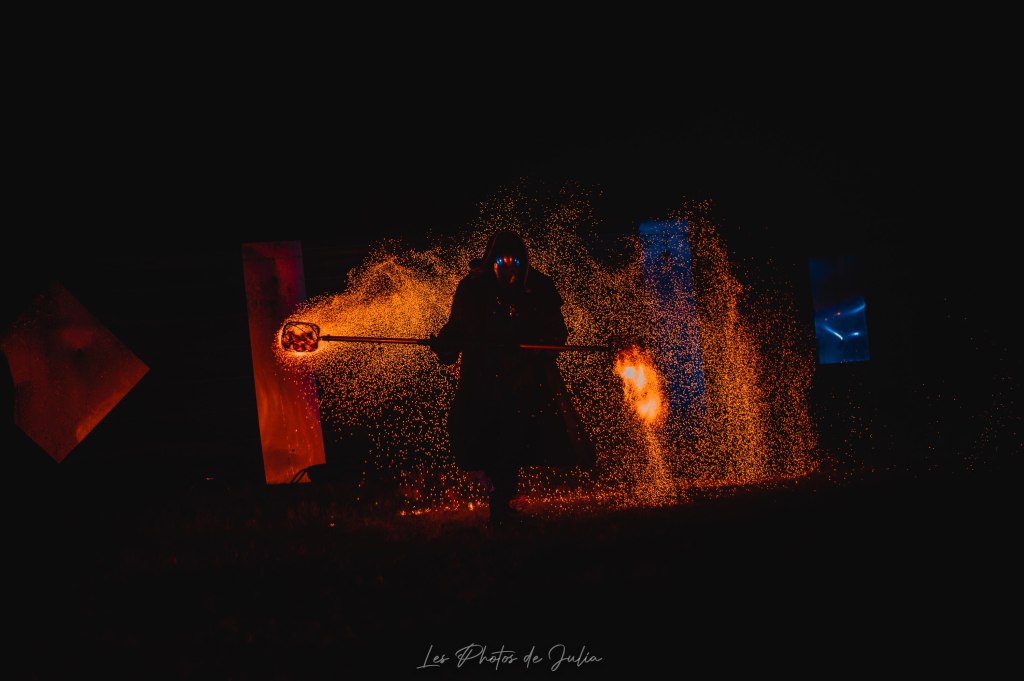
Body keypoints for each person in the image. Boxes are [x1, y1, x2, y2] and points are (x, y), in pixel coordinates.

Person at [430, 231, 595, 526]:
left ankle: (502, 502)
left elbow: (556, 331)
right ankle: (497, 493)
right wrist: (445, 344)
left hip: (521, 380)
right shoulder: (473, 288)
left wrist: (537, 346)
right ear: (491, 261)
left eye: (514, 261)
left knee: (511, 438)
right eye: (502, 261)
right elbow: (458, 327)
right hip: (482, 379)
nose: (508, 268)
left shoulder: (538, 287)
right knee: (476, 436)